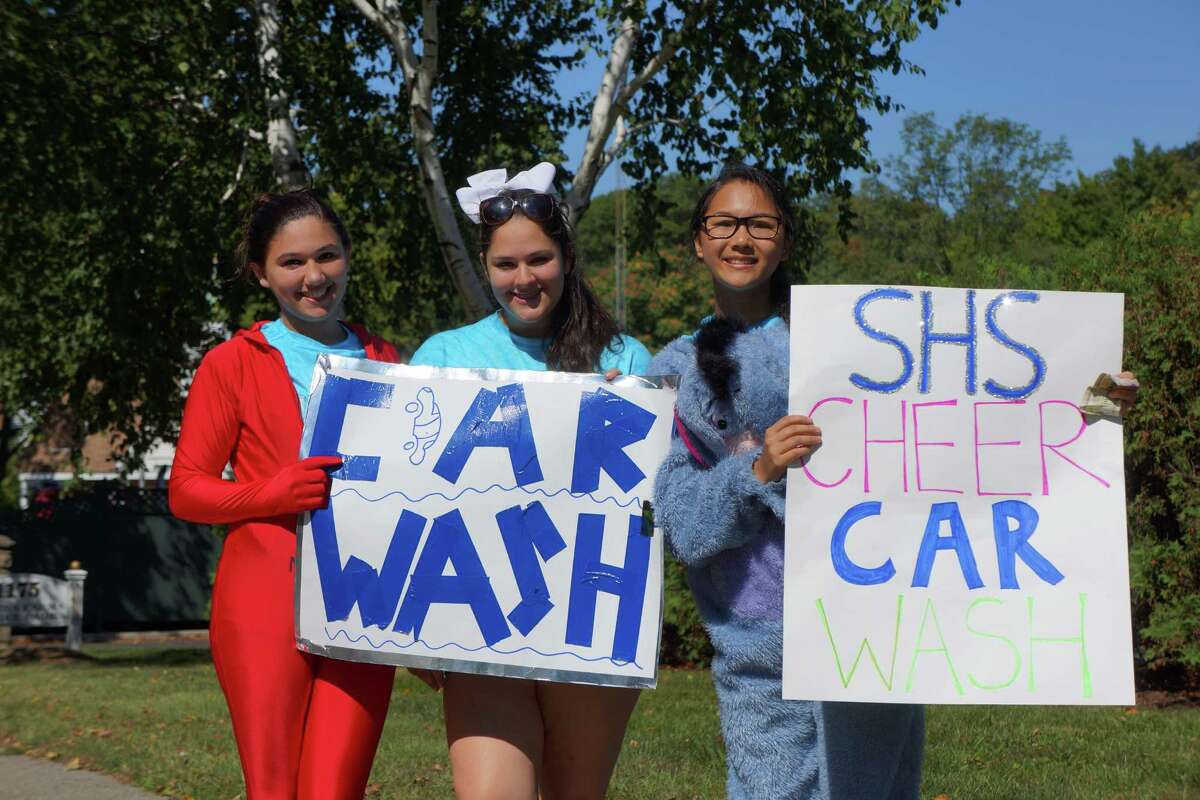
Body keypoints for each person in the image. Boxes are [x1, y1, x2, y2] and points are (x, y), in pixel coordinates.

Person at [649, 164, 925, 799]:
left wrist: (1088, 402)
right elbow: (682, 523)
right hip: (759, 653)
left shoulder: (861, 348)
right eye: (723, 223)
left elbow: (966, 424)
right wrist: (757, 471)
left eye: (760, 223)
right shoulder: (674, 371)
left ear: (786, 239)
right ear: (698, 240)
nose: (740, 238)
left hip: (869, 628)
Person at [407, 162, 652, 800]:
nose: (524, 279)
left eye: (538, 259)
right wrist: (406, 632)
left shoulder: (626, 359)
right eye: (505, 265)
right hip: (479, 627)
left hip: (585, 630)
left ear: (567, 258)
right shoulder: (440, 359)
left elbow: (656, 499)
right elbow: (411, 504)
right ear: (485, 267)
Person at [169, 190, 399, 800]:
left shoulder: (387, 359)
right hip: (263, 596)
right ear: (261, 274)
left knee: (334, 790)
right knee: (273, 788)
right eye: (292, 262)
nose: (314, 277)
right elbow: (186, 490)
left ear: (349, 255)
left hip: (363, 596)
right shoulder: (231, 363)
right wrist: (268, 493)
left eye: (327, 255)